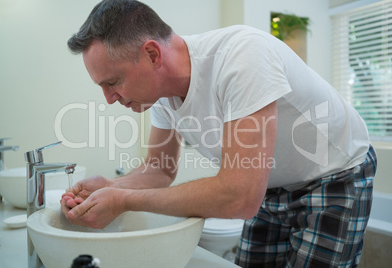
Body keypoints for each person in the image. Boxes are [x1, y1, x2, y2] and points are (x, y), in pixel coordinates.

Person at [60, 0, 377, 267]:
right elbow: (159, 169)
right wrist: (111, 186)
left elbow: (239, 197)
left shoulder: (242, 57)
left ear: (152, 54)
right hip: (271, 184)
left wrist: (124, 199)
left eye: (112, 82)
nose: (109, 98)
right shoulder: (158, 96)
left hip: (334, 171)